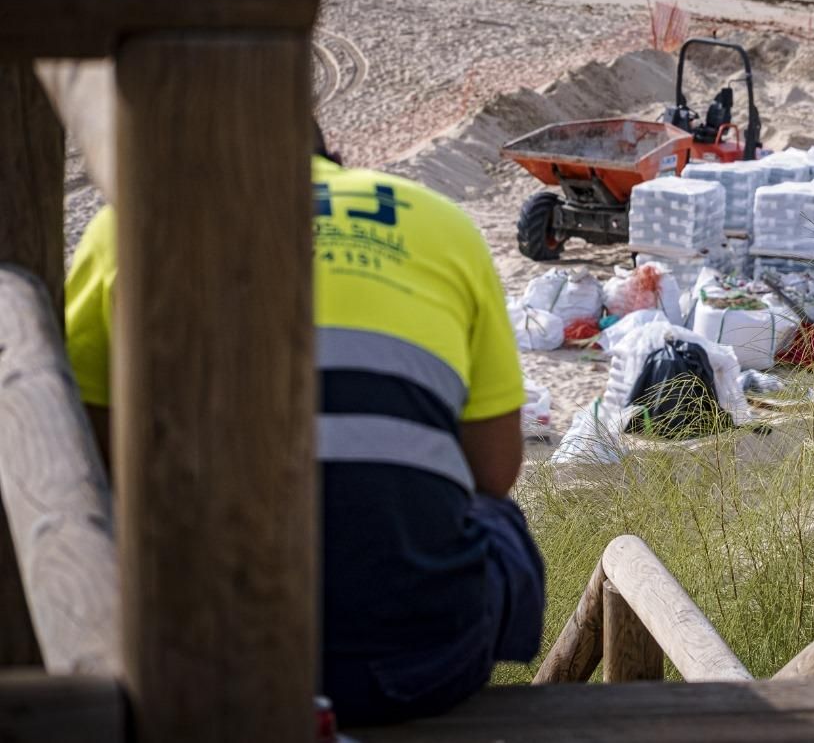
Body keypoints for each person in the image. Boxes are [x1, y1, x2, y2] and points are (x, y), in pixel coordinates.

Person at [64, 129, 546, 726]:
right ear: (330, 157)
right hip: (411, 668)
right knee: (498, 521)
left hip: (194, 672)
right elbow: (495, 472)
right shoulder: (439, 223)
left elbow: (85, 460)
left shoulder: (124, 227)